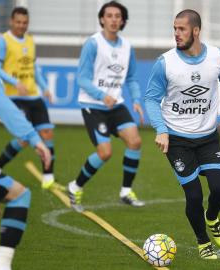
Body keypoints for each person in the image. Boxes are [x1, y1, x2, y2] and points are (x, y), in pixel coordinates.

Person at [145, 10, 220, 259]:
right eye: (174, 28)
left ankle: (213, 218)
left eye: (181, 29)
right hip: (177, 141)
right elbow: (151, 99)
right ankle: (203, 241)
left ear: (196, 31)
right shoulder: (165, 62)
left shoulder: (217, 57)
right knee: (194, 195)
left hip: (207, 138)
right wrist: (161, 130)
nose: (176, 34)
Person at [67, 1, 145, 212]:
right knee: (105, 153)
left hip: (116, 105)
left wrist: (137, 100)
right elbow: (82, 79)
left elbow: (131, 79)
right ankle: (75, 187)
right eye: (109, 15)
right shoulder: (93, 44)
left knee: (135, 141)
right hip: (93, 104)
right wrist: (102, 95)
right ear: (102, 19)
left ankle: (126, 192)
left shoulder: (127, 47)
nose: (113, 19)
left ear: (123, 21)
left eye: (117, 16)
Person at [0, 31, 51, 270]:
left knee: (4, 188)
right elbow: (7, 110)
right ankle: (2, 266)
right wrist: (36, 140)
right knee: (20, 195)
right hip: (23, 101)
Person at [0, 7, 56, 189]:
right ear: (11, 21)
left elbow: (34, 68)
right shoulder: (4, 41)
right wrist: (15, 82)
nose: (21, 25)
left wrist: (44, 88)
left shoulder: (30, 40)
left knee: (48, 133)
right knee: (24, 137)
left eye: (25, 22)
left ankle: (48, 179)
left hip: (33, 95)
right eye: (18, 22)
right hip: (14, 96)